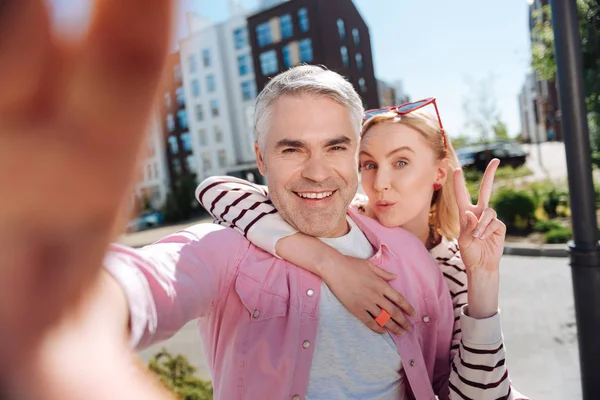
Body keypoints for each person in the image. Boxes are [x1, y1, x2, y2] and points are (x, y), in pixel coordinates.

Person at [197, 99, 528, 399]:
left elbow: (480, 396)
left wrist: (483, 279)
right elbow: (217, 190)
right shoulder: (344, 215)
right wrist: (330, 262)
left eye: (400, 163)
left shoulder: (453, 268)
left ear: (439, 173)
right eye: (368, 164)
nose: (380, 183)